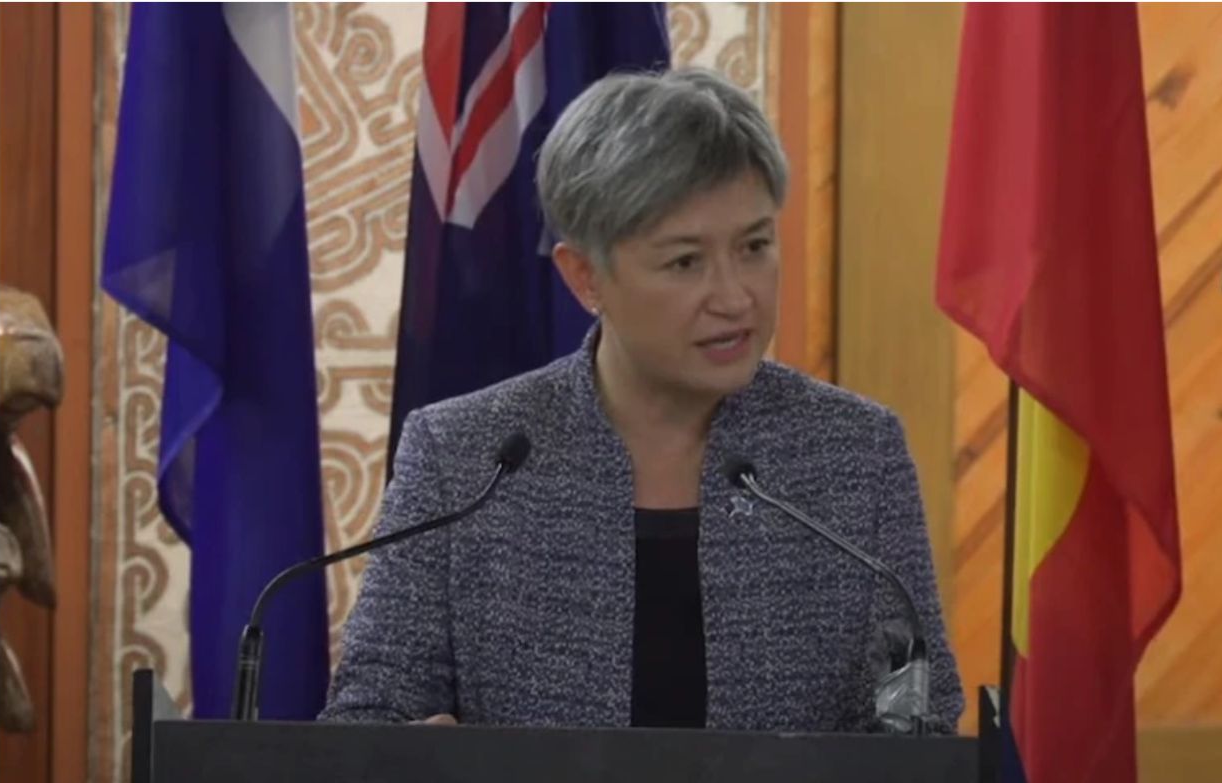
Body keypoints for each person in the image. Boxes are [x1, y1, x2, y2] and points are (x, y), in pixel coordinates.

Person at [318, 67, 963, 734]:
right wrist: (404, 758)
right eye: (685, 262)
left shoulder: (856, 452)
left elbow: (916, 720)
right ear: (586, 278)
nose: (735, 297)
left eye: (754, 247)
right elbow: (369, 715)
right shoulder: (463, 455)